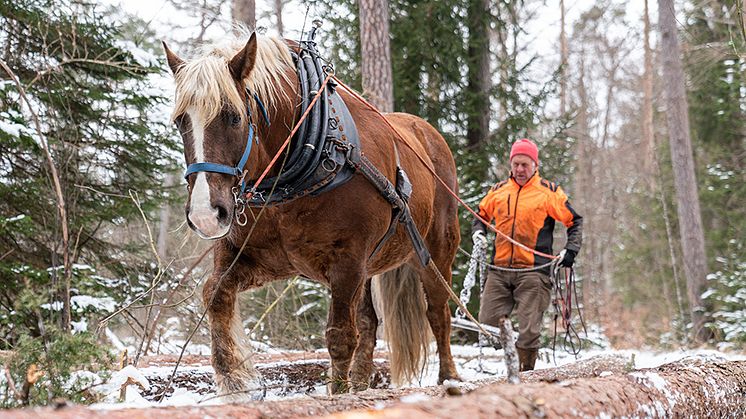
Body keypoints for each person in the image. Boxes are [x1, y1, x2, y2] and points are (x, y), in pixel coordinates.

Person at [472, 138, 582, 371]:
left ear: (535, 164)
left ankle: (525, 374)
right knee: (487, 323)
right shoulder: (498, 191)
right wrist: (479, 233)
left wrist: (571, 250)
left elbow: (574, 221)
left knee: (529, 330)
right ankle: (502, 367)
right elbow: (480, 215)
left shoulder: (548, 193)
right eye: (516, 164)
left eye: (525, 164)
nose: (520, 169)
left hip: (534, 273)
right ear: (510, 165)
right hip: (499, 271)